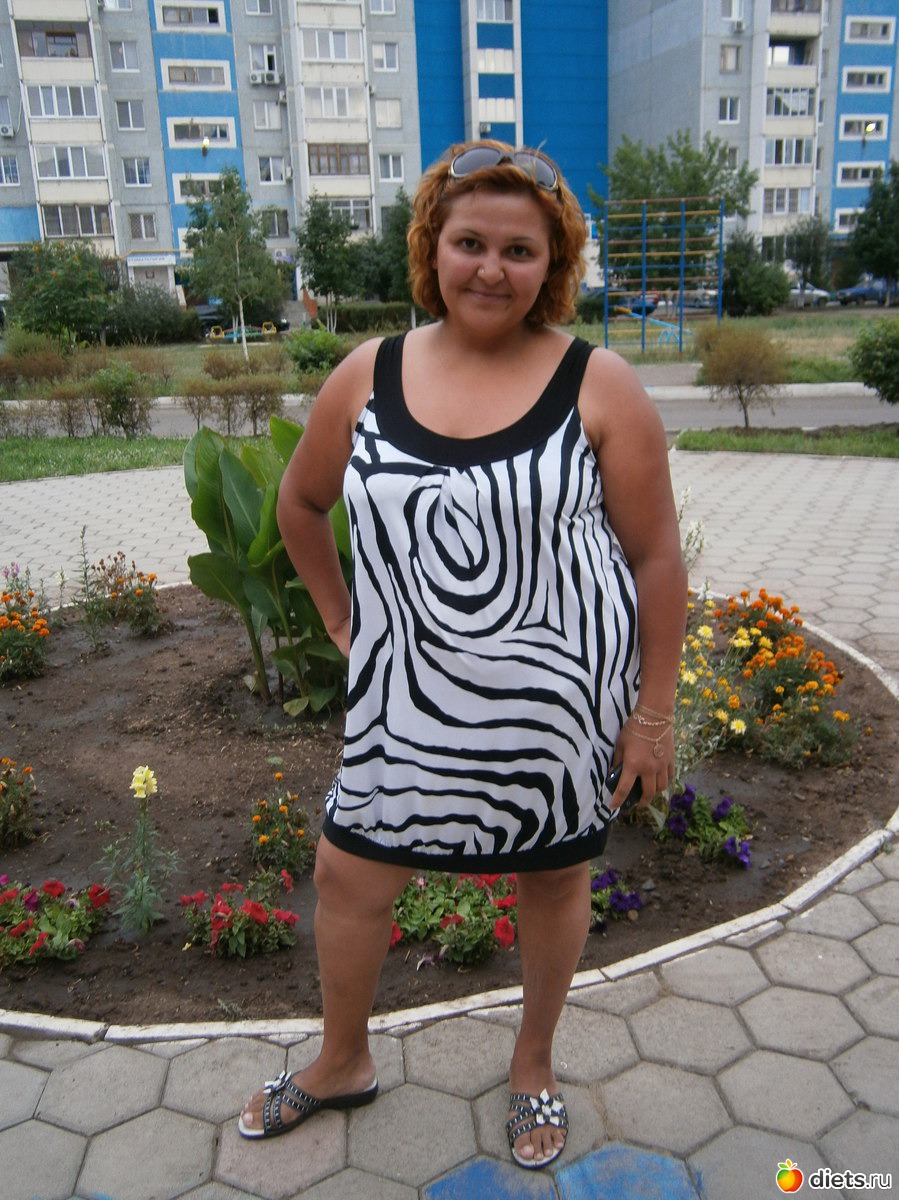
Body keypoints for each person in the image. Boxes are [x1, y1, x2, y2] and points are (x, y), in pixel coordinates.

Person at [239, 139, 688, 1169]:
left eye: (518, 250)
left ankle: (531, 1065)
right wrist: (340, 622)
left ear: (552, 264)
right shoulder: (368, 373)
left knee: (552, 881)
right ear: (431, 249)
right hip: (403, 707)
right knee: (349, 873)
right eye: (469, 243)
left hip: (558, 707)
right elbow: (300, 503)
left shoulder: (599, 382)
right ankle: (341, 1060)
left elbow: (656, 556)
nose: (490, 268)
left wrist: (652, 714)